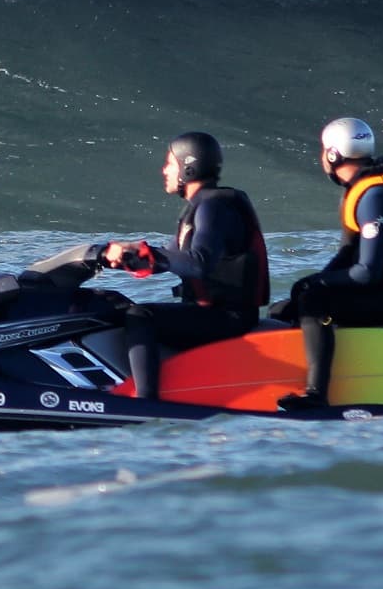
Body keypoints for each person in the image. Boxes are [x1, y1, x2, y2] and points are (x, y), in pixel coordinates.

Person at [274, 116, 383, 411]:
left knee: (315, 304)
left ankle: (316, 394)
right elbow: (346, 256)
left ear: (332, 154)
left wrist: (314, 286)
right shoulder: (364, 188)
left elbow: (366, 273)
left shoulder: (376, 196)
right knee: (288, 308)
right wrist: (307, 286)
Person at [99, 131, 270, 400]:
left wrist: (150, 254)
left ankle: (145, 401)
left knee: (139, 316)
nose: (163, 170)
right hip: (211, 311)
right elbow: (169, 258)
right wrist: (118, 258)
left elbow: (199, 263)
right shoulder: (201, 206)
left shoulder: (214, 207)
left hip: (229, 317)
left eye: (170, 163)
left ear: (188, 167)